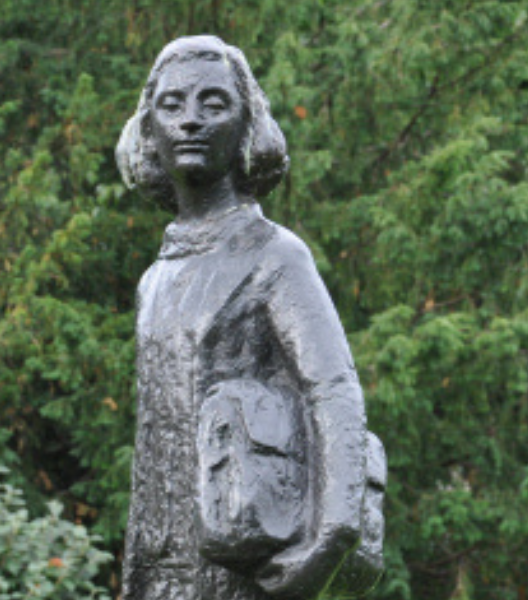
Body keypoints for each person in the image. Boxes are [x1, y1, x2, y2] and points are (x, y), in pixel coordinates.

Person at [117, 36, 383, 600]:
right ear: (149, 127)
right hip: (156, 567)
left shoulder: (273, 255)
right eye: (171, 105)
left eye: (213, 104)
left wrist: (332, 535)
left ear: (247, 124)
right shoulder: (155, 278)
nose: (190, 121)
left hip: (242, 563)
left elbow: (333, 392)